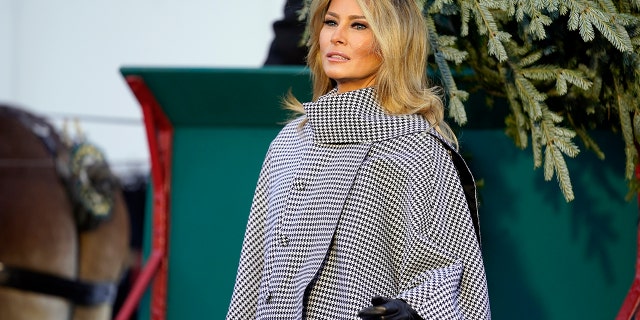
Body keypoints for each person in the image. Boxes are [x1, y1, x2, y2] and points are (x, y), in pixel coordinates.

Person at [227, 0, 491, 318]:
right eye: (330, 22)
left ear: (393, 41)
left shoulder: (418, 150)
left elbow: (450, 271)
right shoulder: (289, 143)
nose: (337, 37)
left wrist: (414, 309)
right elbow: (254, 271)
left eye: (359, 25)